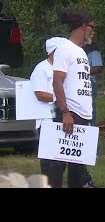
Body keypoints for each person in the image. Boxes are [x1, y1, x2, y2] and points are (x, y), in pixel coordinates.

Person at [48, 8, 96, 188]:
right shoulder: (64, 49)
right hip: (70, 113)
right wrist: (65, 112)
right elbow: (57, 82)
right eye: (92, 27)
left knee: (78, 165)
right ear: (83, 27)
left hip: (83, 114)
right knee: (59, 161)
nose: (93, 31)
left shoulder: (81, 51)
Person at [30, 37, 68, 176]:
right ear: (53, 52)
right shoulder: (42, 69)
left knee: (61, 153)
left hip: (62, 114)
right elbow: (39, 94)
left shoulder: (63, 68)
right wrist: (61, 99)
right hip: (47, 117)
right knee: (48, 156)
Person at [84, 42, 103, 127]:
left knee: (90, 108)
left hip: (89, 82)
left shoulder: (93, 51)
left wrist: (81, 72)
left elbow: (98, 68)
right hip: (75, 83)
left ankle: (91, 127)